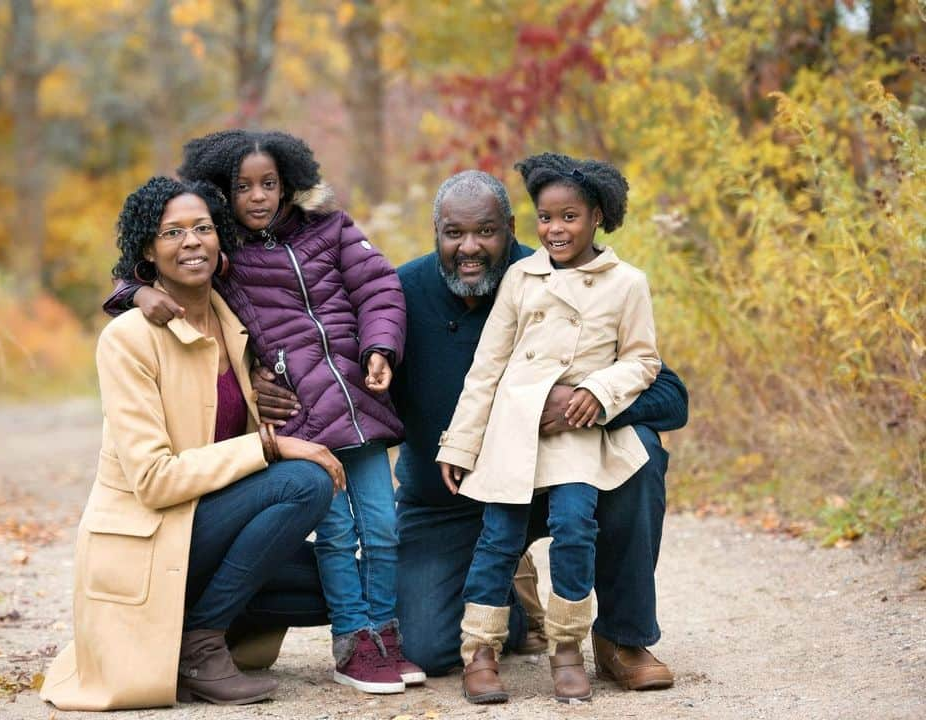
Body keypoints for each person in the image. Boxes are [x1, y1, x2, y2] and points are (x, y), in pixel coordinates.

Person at [253, 168, 688, 696]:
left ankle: (623, 638)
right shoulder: (400, 294)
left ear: (510, 228)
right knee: (427, 646)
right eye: (453, 233)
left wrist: (587, 403)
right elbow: (330, 355)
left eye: (486, 231)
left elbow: (669, 393)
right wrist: (267, 381)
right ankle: (513, 602)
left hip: (552, 477)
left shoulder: (554, 274)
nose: (470, 248)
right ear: (435, 231)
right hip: (446, 499)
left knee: (640, 452)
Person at [102, 130, 424, 694]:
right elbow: (156, 259)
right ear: (223, 192)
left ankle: (386, 637)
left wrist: (380, 347)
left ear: (289, 183)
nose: (258, 197)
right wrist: (133, 294)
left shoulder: (333, 229)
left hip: (359, 407)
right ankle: (353, 642)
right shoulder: (226, 257)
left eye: (269, 184)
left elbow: (378, 288)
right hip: (299, 418)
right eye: (243, 186)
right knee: (334, 531)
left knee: (382, 526)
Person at [41, 177, 343, 710]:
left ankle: (188, 628)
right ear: (148, 251)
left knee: (341, 583)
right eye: (172, 232)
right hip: (155, 535)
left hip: (213, 529)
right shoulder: (129, 339)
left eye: (203, 228)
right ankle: (200, 644)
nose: (191, 242)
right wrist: (273, 448)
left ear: (221, 238)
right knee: (304, 482)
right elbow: (155, 482)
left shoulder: (238, 325)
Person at [438, 154, 659, 704]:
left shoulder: (627, 283)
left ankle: (567, 647)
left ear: (598, 218)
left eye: (569, 218)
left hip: (577, 435)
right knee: (498, 539)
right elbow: (487, 366)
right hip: (515, 430)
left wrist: (598, 393)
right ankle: (481, 652)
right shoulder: (521, 276)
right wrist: (461, 442)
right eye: (545, 218)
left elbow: (642, 361)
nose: (556, 230)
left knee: (575, 527)